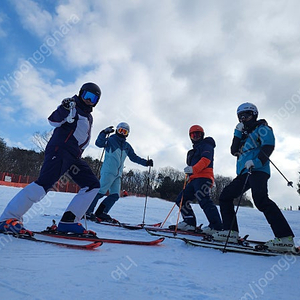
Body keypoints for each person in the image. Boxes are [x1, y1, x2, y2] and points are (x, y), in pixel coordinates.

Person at [0, 82, 101, 235]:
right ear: (81, 93)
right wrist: (64, 108)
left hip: (74, 156)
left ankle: (69, 222)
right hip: (60, 151)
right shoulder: (72, 106)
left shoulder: (89, 116)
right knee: (43, 185)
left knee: (92, 185)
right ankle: (7, 219)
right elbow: (54, 120)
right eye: (86, 95)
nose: (88, 100)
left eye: (93, 98)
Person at [213, 102, 296, 253]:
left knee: (261, 199)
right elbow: (233, 150)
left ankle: (285, 238)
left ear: (254, 115)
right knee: (225, 196)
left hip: (258, 169)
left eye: (247, 115)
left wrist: (257, 162)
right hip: (245, 172)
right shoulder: (244, 135)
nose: (244, 119)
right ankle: (230, 232)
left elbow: (268, 146)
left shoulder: (262, 128)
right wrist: (237, 133)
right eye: (241, 117)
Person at [86, 122, 153, 221]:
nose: (122, 133)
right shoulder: (111, 140)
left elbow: (134, 158)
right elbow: (99, 143)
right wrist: (104, 132)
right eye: (120, 130)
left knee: (115, 195)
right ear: (117, 130)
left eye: (124, 131)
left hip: (118, 174)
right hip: (108, 171)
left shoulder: (127, 146)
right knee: (100, 192)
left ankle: (101, 212)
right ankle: (88, 211)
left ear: (127, 134)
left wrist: (146, 163)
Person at [170, 125, 223, 233]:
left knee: (204, 200)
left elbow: (206, 160)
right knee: (181, 200)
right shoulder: (194, 150)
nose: (195, 137)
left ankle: (216, 226)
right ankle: (189, 223)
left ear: (202, 135)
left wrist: (193, 169)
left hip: (204, 178)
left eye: (198, 134)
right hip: (194, 179)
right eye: (193, 135)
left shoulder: (207, 145)